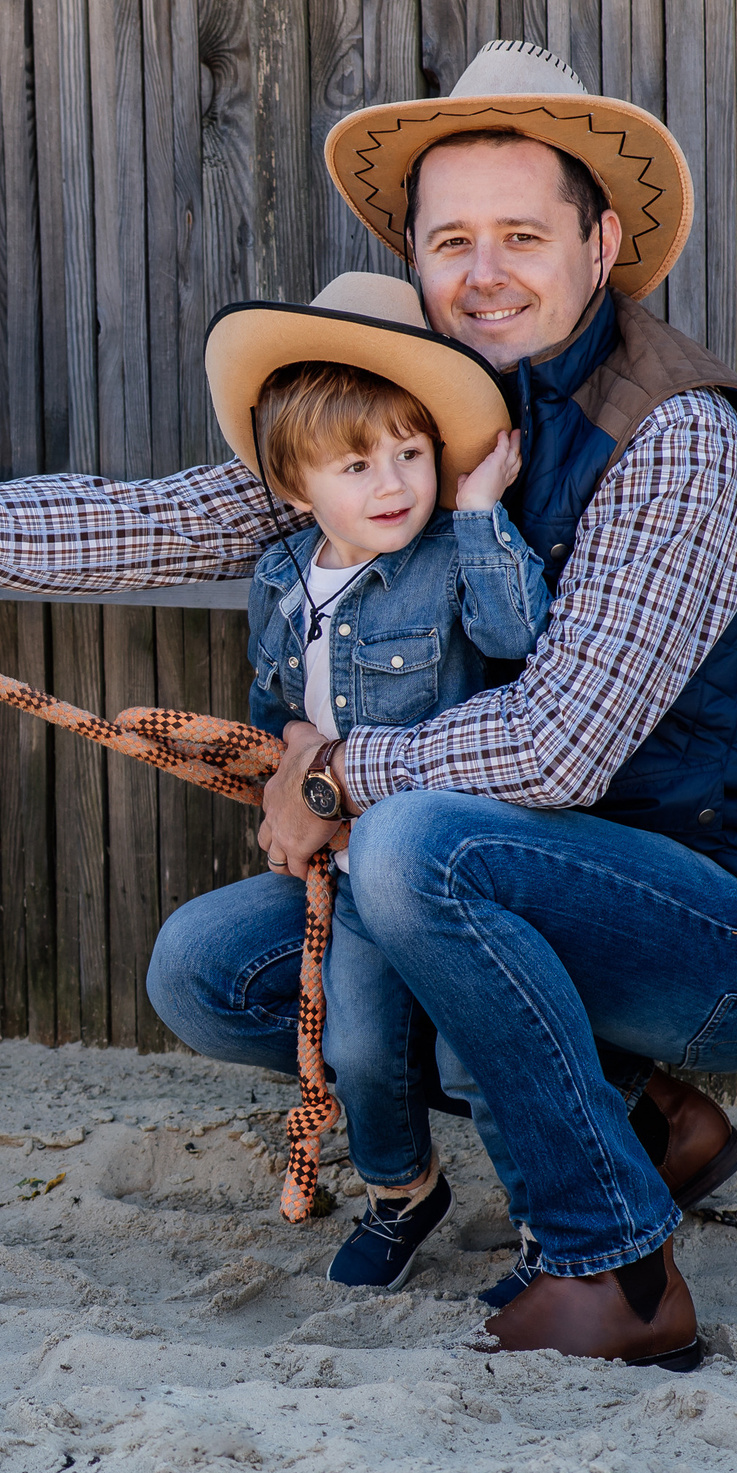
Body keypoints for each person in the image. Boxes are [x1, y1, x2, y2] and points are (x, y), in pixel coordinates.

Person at [0, 42, 737, 1372]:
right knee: (212, 969)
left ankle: (611, 1261)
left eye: (522, 233)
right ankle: (641, 1115)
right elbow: (161, 519)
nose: (484, 271)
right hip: (539, 880)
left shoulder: (677, 440)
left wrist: (335, 769)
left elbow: (561, 742)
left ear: (602, 240)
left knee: (408, 848)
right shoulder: (421, 405)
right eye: (452, 239)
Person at [208, 275, 546, 1287]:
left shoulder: (448, 557)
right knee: (360, 1046)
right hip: (353, 870)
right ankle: (402, 1189)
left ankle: (550, 1216)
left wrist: (481, 511)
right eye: (357, 464)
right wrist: (292, 758)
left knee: (473, 1054)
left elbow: (518, 636)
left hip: (450, 862)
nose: (393, 481)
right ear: (296, 486)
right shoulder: (281, 578)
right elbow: (281, 700)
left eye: (410, 452)